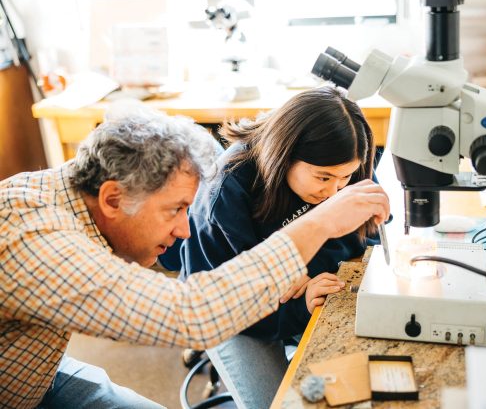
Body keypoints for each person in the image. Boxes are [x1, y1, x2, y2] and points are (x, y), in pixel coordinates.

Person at [0, 106, 390, 409]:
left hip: (40, 373)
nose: (185, 231)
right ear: (113, 199)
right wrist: (319, 224)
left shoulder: (65, 192)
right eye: (175, 209)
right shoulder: (35, 241)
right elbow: (191, 314)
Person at [158, 86, 381, 409]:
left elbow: (363, 237)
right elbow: (229, 307)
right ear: (284, 155)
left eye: (344, 178)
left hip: (305, 289)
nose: (334, 191)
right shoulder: (225, 192)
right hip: (230, 311)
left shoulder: (344, 161)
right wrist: (298, 303)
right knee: (278, 403)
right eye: (322, 178)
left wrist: (305, 274)